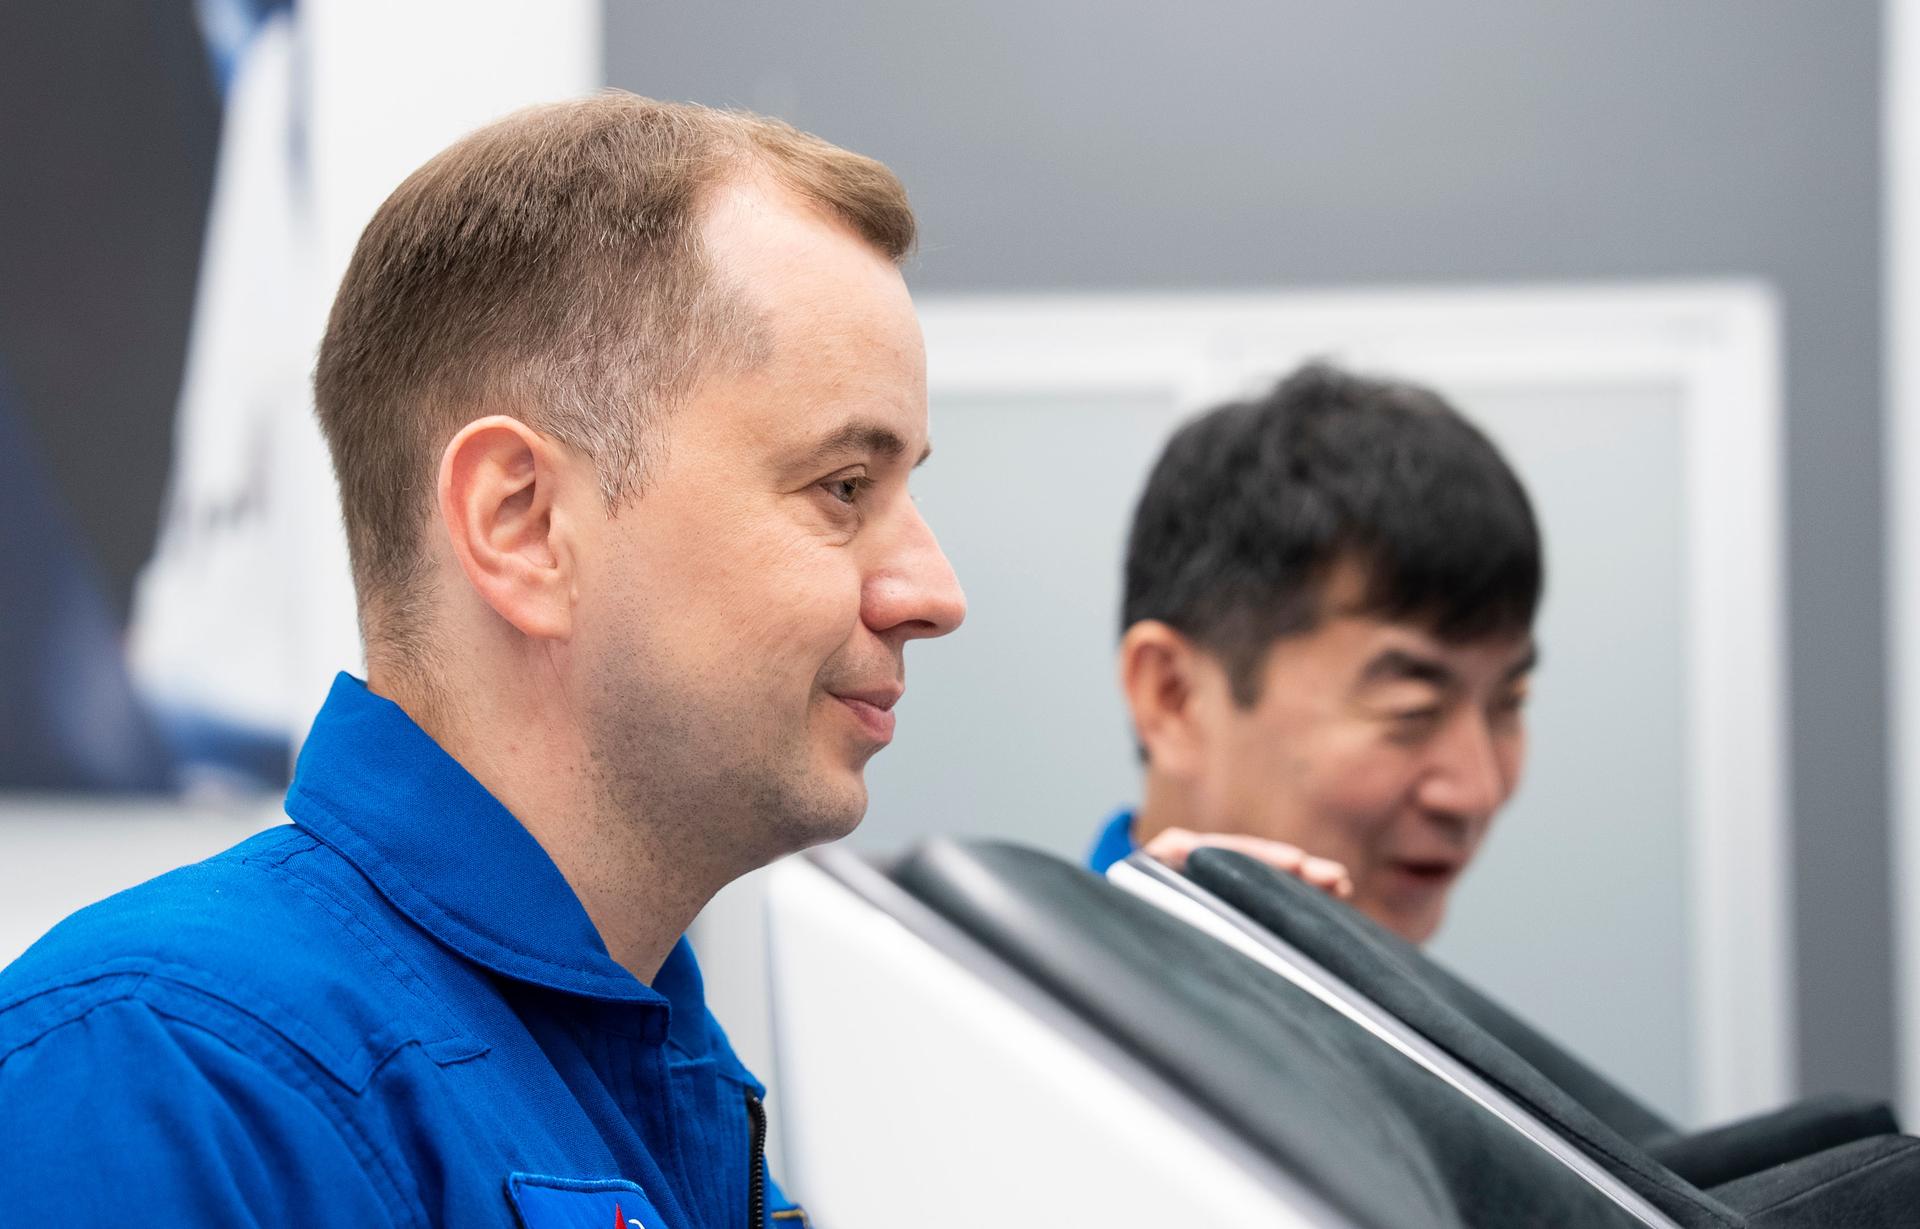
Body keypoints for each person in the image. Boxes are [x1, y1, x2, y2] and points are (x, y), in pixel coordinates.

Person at [0, 92, 962, 1227]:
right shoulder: (164, 1076)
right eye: (842, 487)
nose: (932, 596)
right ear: (523, 524)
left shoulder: (661, 1080)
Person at [1090, 362, 1543, 945]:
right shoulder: (1035, 994)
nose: (1477, 793)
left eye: (1509, 704)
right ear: (1173, 696)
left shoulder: (1363, 993)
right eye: (1412, 710)